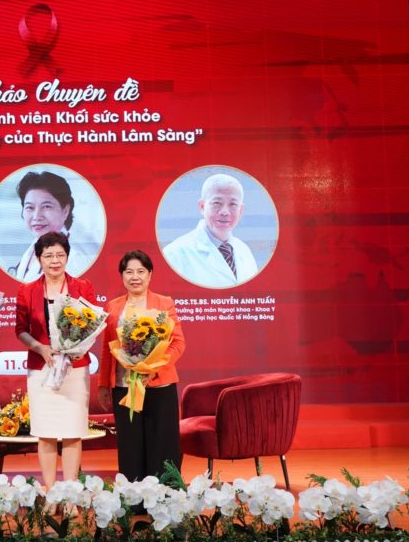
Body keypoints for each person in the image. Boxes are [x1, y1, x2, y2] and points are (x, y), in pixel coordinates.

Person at [15, 231, 96, 489]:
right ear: (39, 259)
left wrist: (79, 348)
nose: (55, 261)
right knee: (46, 432)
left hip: (75, 369)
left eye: (60, 255)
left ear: (67, 257)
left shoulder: (83, 287)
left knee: (73, 432)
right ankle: (50, 491)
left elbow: (92, 324)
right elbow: (20, 329)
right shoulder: (27, 290)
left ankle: (70, 492)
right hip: (42, 368)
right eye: (48, 255)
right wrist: (39, 348)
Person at [98, 250, 186, 481]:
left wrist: (153, 368)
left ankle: (166, 495)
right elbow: (107, 349)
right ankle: (133, 496)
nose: (135, 277)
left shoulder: (164, 303)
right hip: (124, 387)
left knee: (162, 444)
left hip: (159, 386)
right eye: (129, 272)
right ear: (122, 276)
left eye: (140, 271)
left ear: (150, 275)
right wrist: (103, 385)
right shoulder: (112, 307)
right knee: (130, 446)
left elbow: (177, 343)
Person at [162, 173, 259, 288]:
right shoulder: (175, 254)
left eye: (233, 204)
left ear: (241, 210)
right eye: (217, 203)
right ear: (202, 206)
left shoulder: (244, 250)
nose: (225, 212)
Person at [8, 171, 91, 281]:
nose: (37, 216)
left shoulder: (75, 258)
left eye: (46, 206)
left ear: (65, 211)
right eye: (30, 207)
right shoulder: (34, 246)